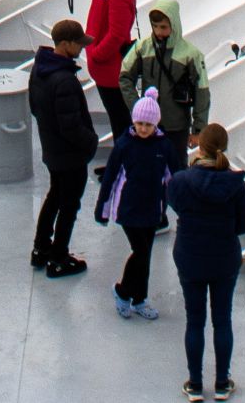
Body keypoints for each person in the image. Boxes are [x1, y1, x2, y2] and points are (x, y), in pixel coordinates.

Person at [166, 120, 245, 400]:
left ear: (200, 147)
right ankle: (221, 383)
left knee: (195, 322)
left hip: (190, 257)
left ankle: (194, 385)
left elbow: (174, 203)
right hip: (224, 259)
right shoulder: (236, 185)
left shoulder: (181, 180)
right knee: (222, 321)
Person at [94, 91, 173, 320]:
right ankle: (122, 291)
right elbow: (110, 177)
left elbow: (173, 176)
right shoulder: (124, 145)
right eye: (139, 123)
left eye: (148, 124)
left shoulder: (163, 146)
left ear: (155, 123)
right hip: (128, 208)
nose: (143, 128)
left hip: (152, 208)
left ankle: (139, 299)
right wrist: (103, 208)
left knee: (145, 254)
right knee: (141, 251)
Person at [27, 18, 95, 277]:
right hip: (70, 156)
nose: (81, 48)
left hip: (52, 150)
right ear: (65, 44)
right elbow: (71, 126)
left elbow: (35, 107)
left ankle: (40, 248)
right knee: (69, 205)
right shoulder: (64, 80)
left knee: (54, 195)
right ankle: (58, 257)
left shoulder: (40, 69)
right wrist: (90, 143)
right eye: (78, 44)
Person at [64, 0, 139, 140]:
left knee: (120, 120)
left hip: (111, 69)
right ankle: (121, 165)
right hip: (105, 67)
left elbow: (117, 35)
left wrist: (96, 55)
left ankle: (123, 167)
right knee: (118, 118)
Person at [119, 0, 210, 149]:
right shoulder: (143, 47)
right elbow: (125, 77)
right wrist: (138, 107)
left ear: (174, 25)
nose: (158, 32)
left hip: (177, 127)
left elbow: (202, 92)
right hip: (148, 125)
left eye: (163, 27)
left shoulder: (191, 54)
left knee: (177, 168)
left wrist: (198, 129)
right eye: (155, 26)